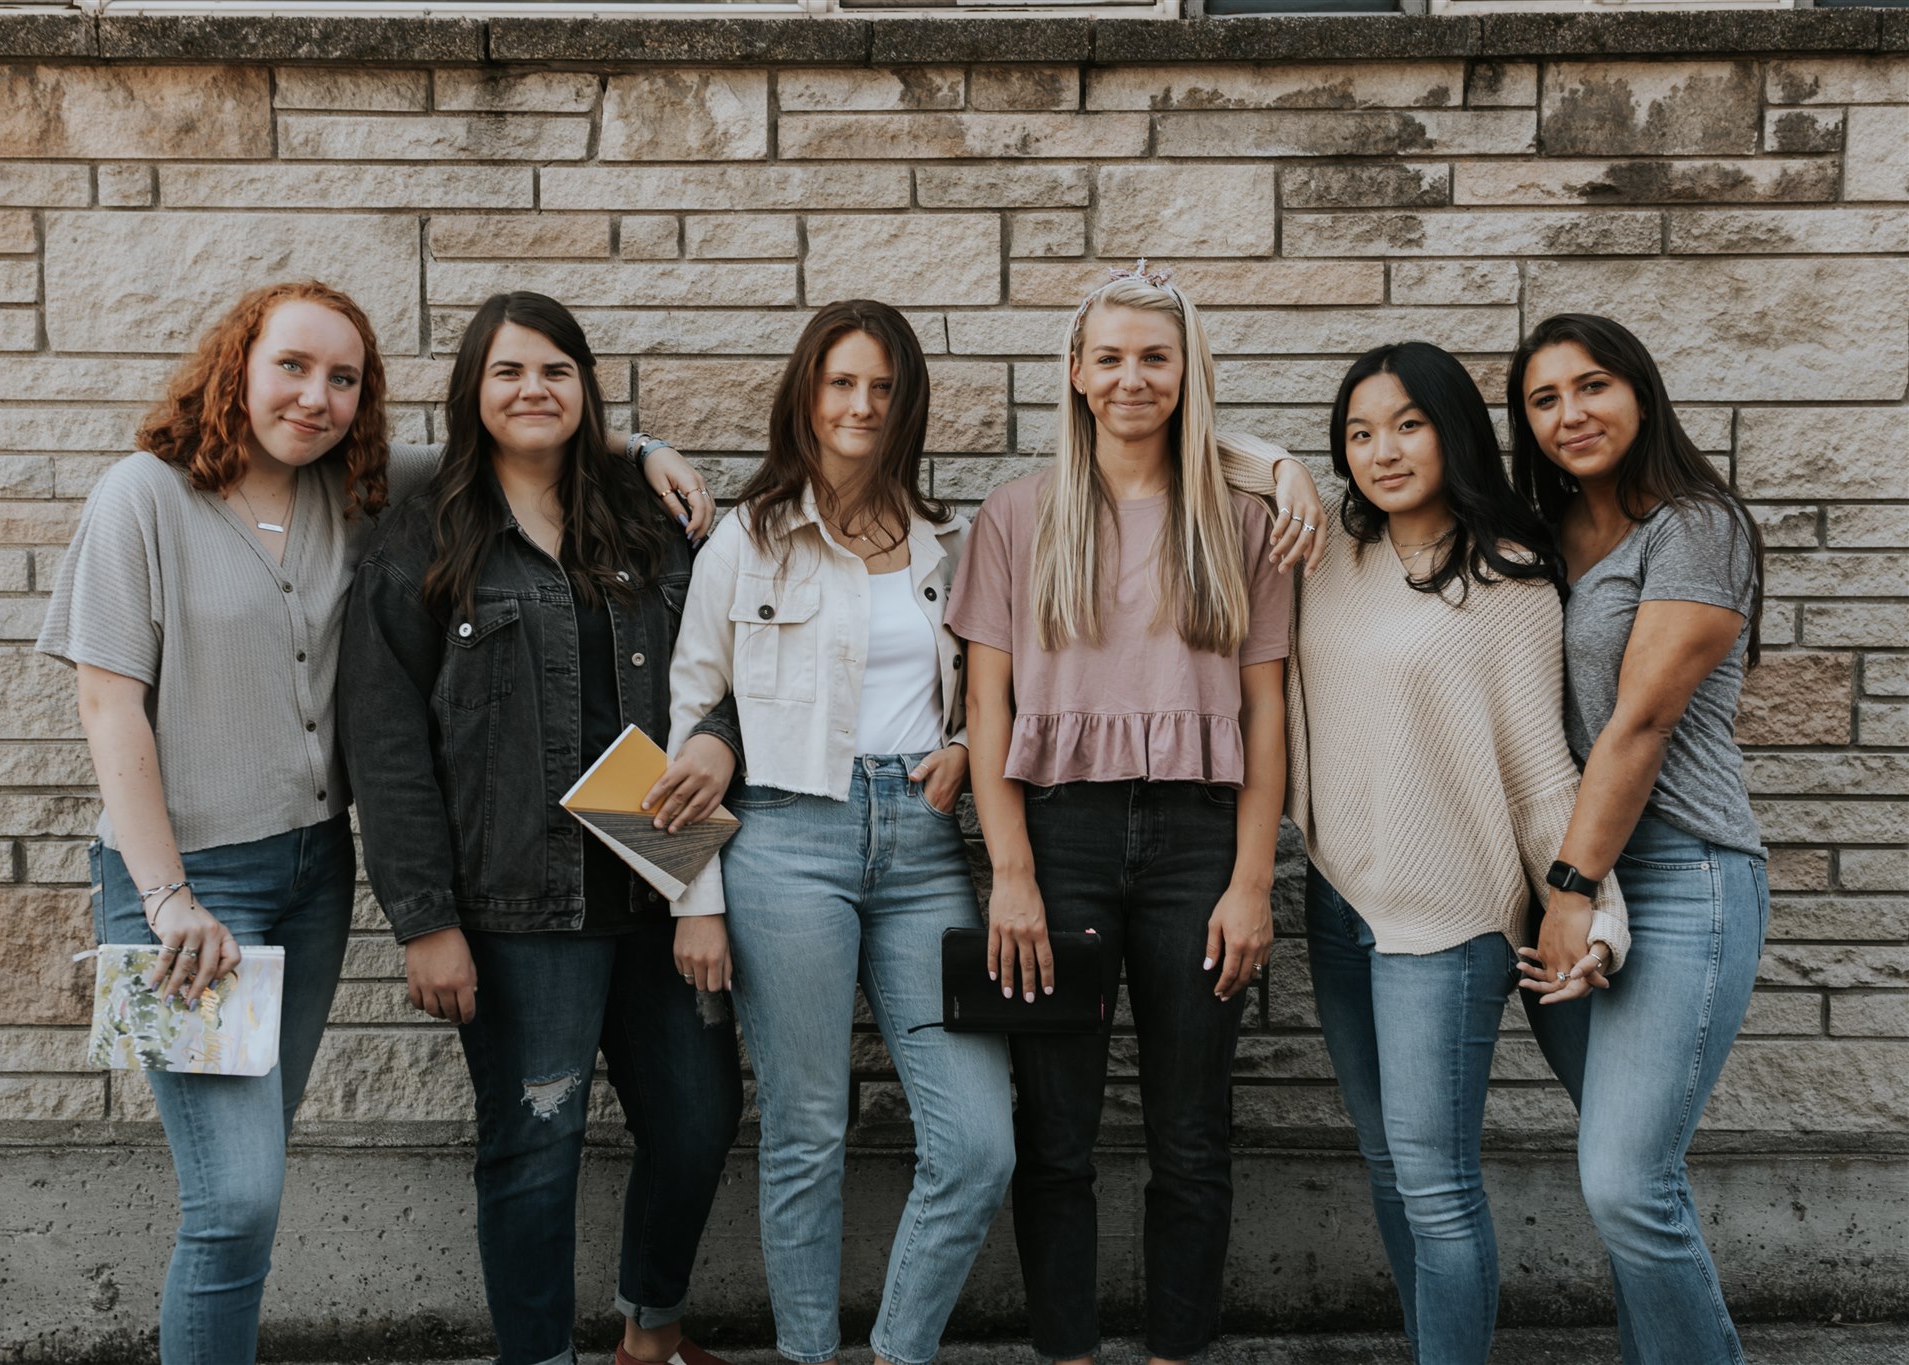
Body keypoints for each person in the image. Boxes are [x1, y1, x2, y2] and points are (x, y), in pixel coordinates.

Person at [339, 291, 743, 1365]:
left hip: (658, 882)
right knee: (535, 1145)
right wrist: (425, 919)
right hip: (515, 902)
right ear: (474, 391)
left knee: (699, 1123)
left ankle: (649, 1330)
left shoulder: (651, 519)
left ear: (584, 387)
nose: (533, 390)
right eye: (508, 372)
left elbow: (732, 659)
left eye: (555, 371)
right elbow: (386, 751)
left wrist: (722, 740)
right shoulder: (420, 536)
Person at [947, 264, 1299, 1365]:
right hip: (1059, 842)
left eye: (1154, 355)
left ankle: (1173, 1353)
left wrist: (1250, 884)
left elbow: (1265, 710)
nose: (1130, 376)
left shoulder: (1239, 520)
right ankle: (1067, 1351)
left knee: (1189, 1138)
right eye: (1108, 356)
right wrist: (1010, 871)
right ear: (1074, 372)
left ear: (1189, 371)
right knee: (1052, 1138)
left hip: (1199, 844)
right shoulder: (1016, 515)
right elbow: (986, 702)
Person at [38, 281, 390, 1365]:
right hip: (185, 894)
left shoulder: (350, 495)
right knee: (232, 1199)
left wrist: (643, 447)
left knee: (248, 1186)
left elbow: (512, 446)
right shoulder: (139, 497)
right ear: (236, 363)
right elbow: (108, 705)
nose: (316, 396)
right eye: (293, 365)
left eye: (343, 378)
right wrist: (167, 899)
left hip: (315, 875)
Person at [664, 299, 1015, 1365]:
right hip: (782, 842)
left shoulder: (951, 541)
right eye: (839, 382)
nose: (860, 405)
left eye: (880, 385)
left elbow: (985, 690)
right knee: (807, 1138)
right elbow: (689, 719)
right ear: (805, 395)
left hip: (921, 846)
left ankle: (898, 1351)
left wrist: (961, 743)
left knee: (979, 1144)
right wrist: (697, 900)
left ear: (905, 400)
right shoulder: (746, 538)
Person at [1289, 342, 1628, 1364]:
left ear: (1452, 431)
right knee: (1388, 1169)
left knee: (1436, 1186)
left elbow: (1539, 773)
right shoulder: (1323, 559)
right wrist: (1271, 465)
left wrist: (1592, 910)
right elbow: (1186, 446)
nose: (1379, 451)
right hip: (1338, 898)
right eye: (1356, 433)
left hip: (1448, 922)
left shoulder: (1511, 579)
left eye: (1405, 424)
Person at [1508, 314, 1770, 1365]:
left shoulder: (1694, 526)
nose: (1569, 414)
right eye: (1542, 399)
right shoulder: (1536, 531)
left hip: (1675, 875)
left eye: (1591, 386)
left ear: (1640, 393)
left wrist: (1572, 890)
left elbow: (1639, 722)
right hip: (1564, 877)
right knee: (1631, 1187)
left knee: (1622, 1183)